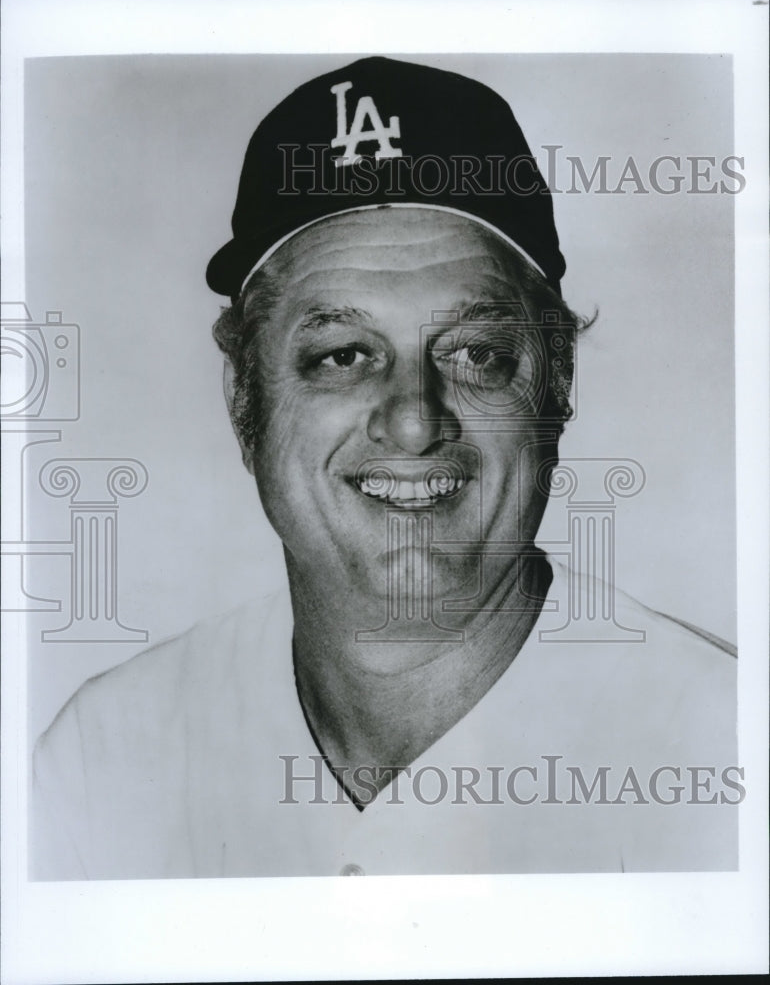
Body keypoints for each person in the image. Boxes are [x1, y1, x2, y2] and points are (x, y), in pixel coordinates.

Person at [32, 56, 739, 880]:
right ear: (243, 398)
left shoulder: (723, 752)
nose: (412, 420)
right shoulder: (102, 759)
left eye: (476, 353)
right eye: (342, 355)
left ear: (556, 386)